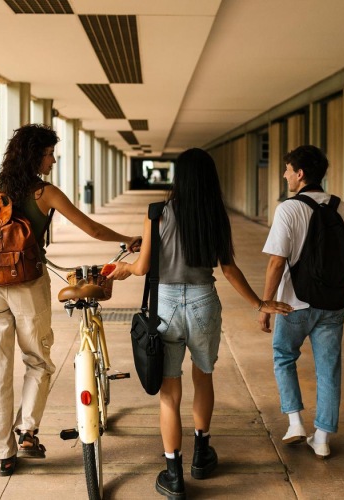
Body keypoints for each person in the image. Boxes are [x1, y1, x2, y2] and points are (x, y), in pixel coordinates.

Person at [108, 148, 292, 498]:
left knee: (169, 390)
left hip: (164, 306)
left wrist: (125, 270)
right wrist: (259, 303)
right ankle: (202, 455)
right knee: (203, 375)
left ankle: (174, 473)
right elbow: (228, 268)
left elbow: (144, 267)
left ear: (179, 178)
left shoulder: (157, 212)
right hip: (204, 302)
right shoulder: (215, 215)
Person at [0, 124, 140, 477]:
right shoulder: (44, 193)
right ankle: (27, 432)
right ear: (35, 155)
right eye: (49, 153)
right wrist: (129, 238)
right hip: (27, 285)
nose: (53, 159)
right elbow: (92, 229)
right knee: (38, 360)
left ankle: (1, 454)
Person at [258, 145, 344, 459]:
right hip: (333, 304)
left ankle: (294, 423)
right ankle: (323, 437)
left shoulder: (288, 209)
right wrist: (343, 297)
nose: (285, 175)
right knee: (328, 369)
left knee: (284, 357)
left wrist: (266, 304)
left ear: (300, 174)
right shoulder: (341, 207)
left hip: (293, 304)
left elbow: (277, 262)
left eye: (288, 169)